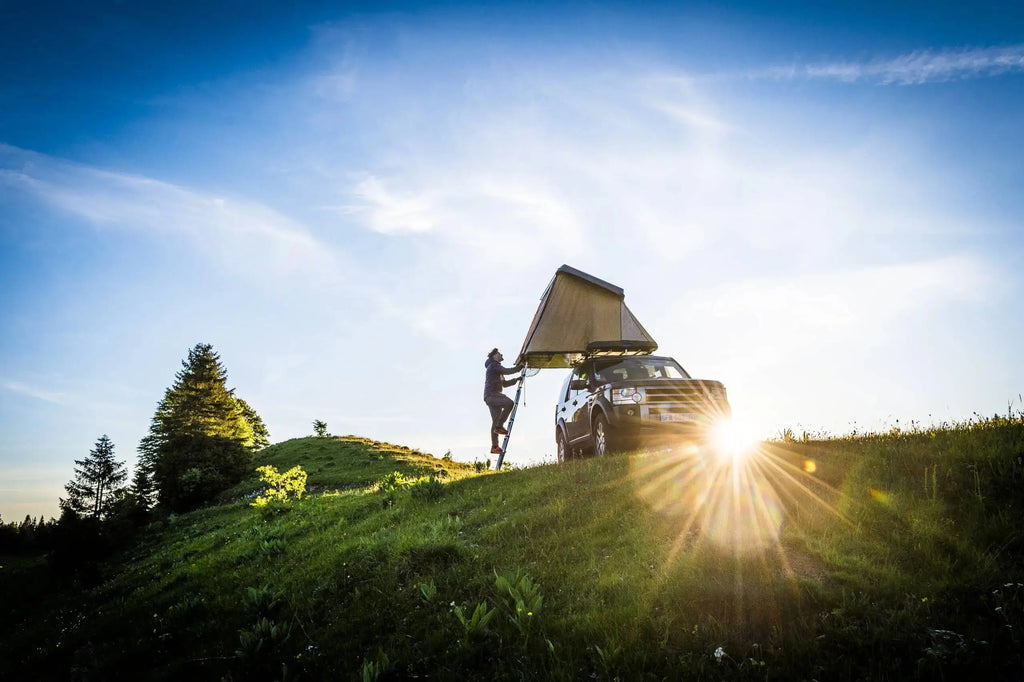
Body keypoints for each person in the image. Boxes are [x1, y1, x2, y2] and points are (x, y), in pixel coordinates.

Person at [484, 348, 523, 454]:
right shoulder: (494, 365)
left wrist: (516, 380)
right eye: (500, 353)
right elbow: (507, 371)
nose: (502, 355)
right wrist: (520, 367)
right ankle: (500, 426)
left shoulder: (496, 368)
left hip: (491, 397)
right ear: (494, 356)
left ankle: (494, 446)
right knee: (509, 403)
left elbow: (504, 384)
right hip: (493, 395)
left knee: (495, 421)